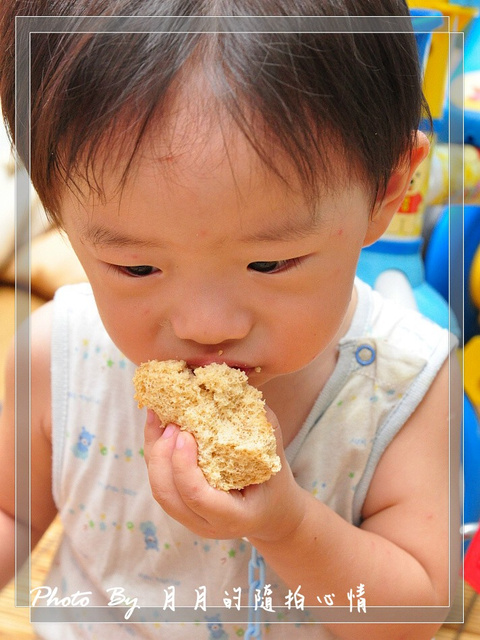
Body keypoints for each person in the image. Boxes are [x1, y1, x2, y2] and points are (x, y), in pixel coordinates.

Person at [0, 1, 461, 639]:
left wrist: (289, 526)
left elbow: (409, 615)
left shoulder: (403, 384)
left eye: (269, 262)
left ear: (388, 190)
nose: (205, 325)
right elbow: (12, 516)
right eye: (136, 269)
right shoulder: (58, 355)